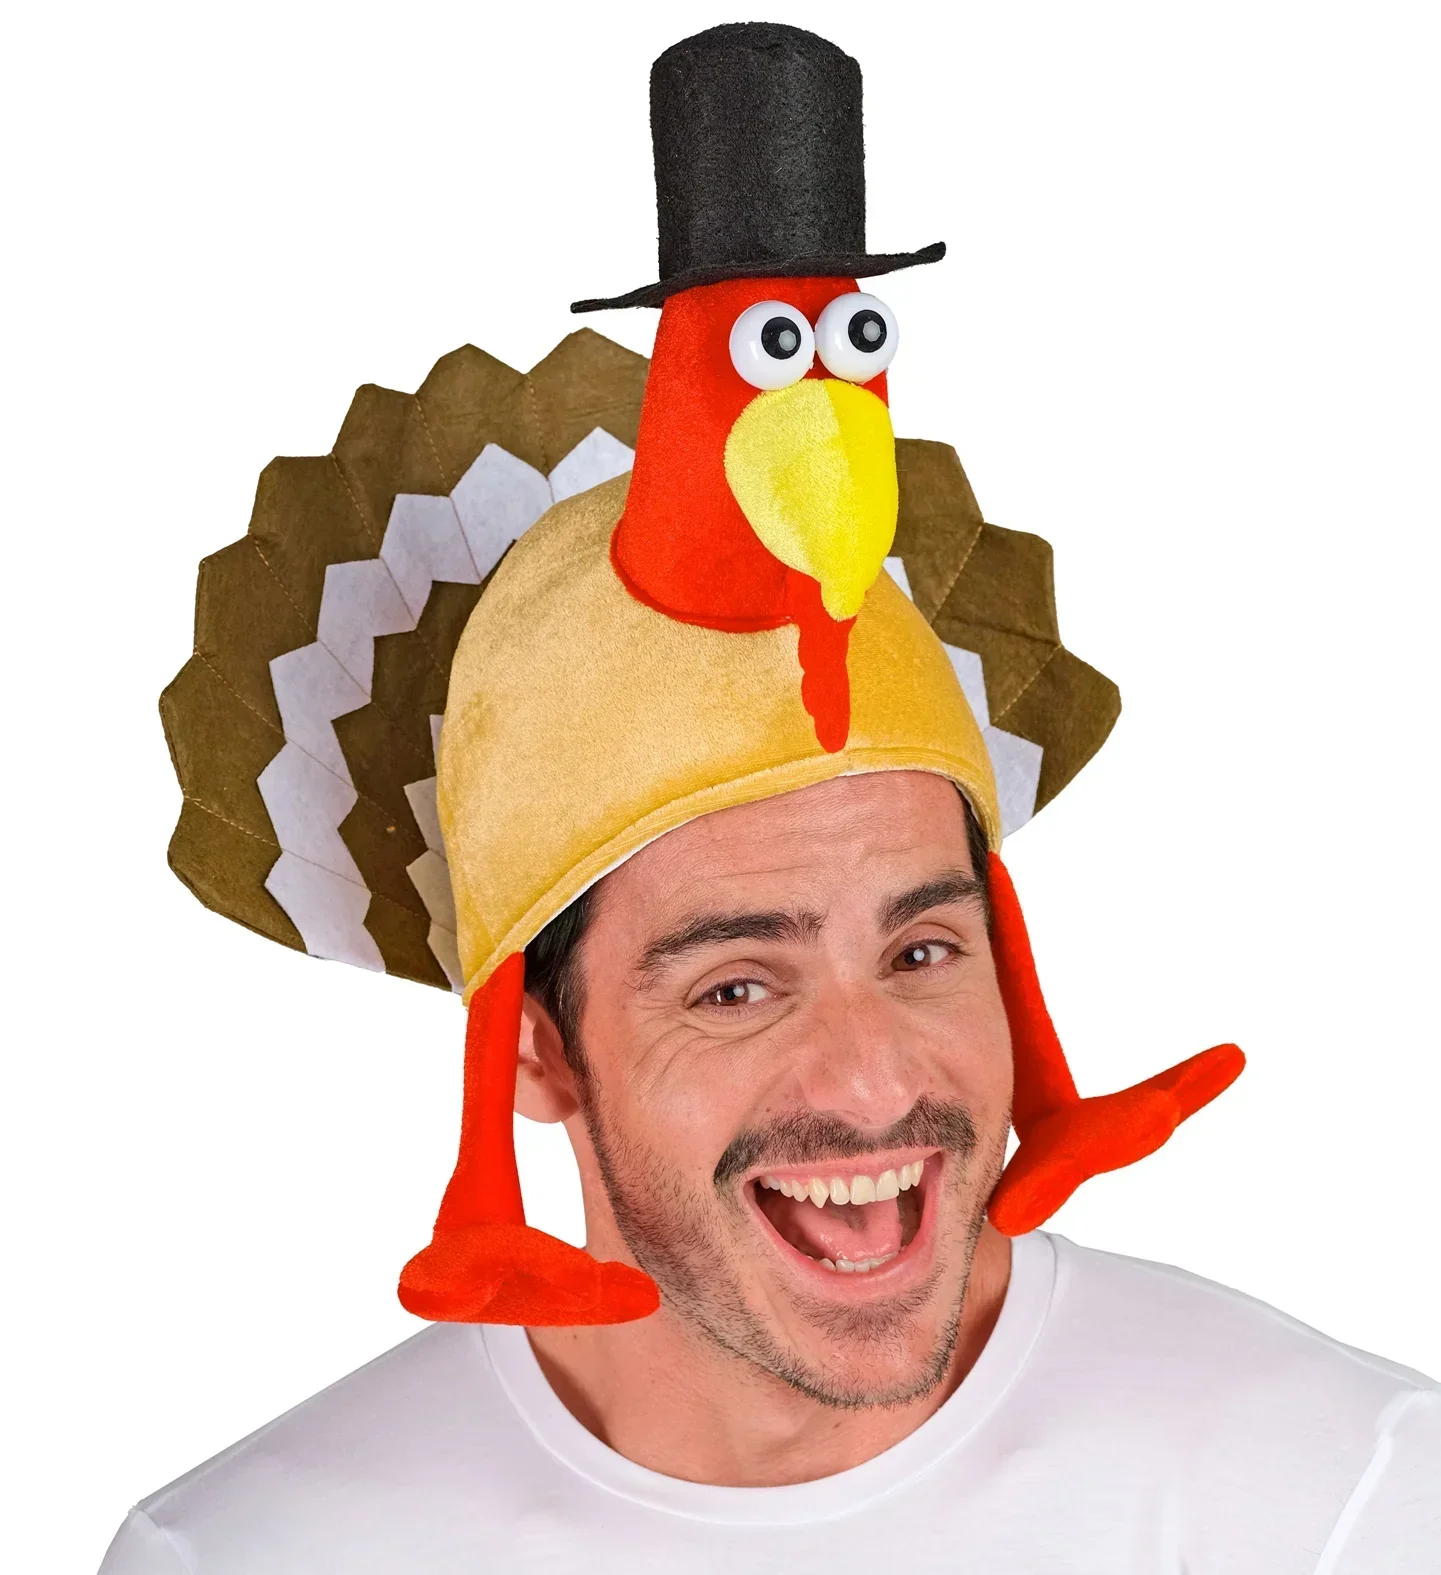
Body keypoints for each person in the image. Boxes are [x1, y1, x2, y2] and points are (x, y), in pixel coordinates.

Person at [103, 22, 1440, 1574]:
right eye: (737, 982)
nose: (872, 1081)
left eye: (923, 949)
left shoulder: (1339, 1497)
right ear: (535, 1044)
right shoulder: (251, 1555)